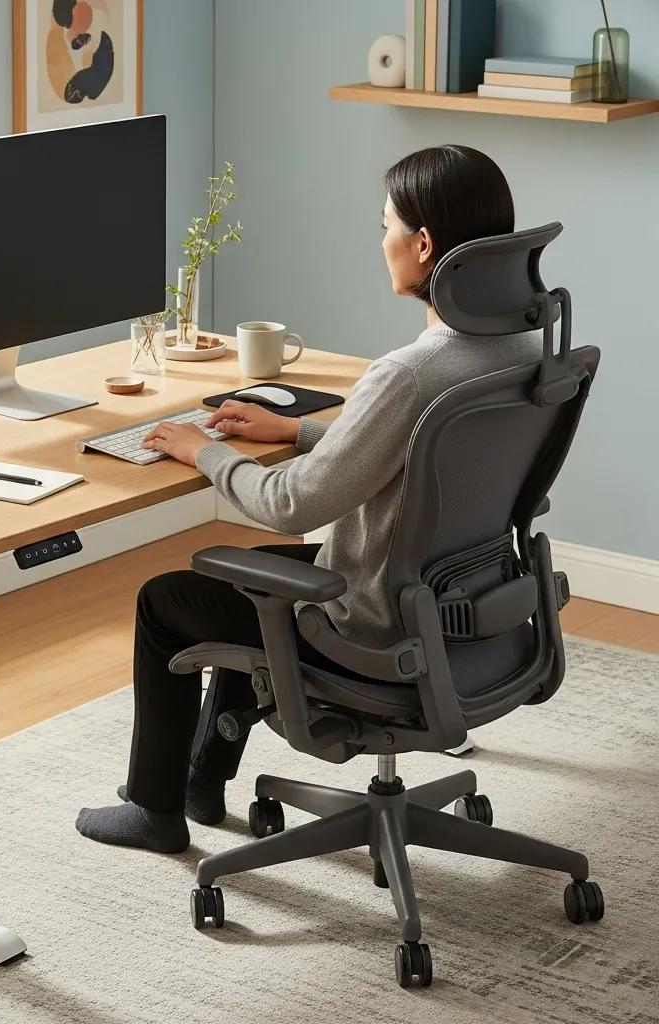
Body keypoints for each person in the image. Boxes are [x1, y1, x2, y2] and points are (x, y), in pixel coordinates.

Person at [76, 144, 542, 854]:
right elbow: (419, 450)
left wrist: (203, 450)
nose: (379, 239)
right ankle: (203, 779)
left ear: (422, 245)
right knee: (241, 580)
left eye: (385, 224)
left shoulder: (411, 372)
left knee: (169, 600)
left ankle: (154, 809)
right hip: (473, 613)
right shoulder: (525, 353)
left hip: (374, 626)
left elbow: (294, 506)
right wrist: (300, 429)